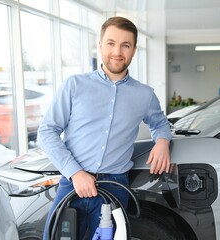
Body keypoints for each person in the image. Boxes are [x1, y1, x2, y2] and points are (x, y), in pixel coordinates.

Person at [38, 16, 172, 240]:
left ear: (134, 50)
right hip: (73, 183)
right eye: (111, 43)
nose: (117, 51)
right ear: (100, 45)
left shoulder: (144, 94)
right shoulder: (75, 85)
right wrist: (75, 173)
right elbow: (47, 131)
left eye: (125, 45)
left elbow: (160, 124)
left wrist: (162, 141)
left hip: (115, 188)